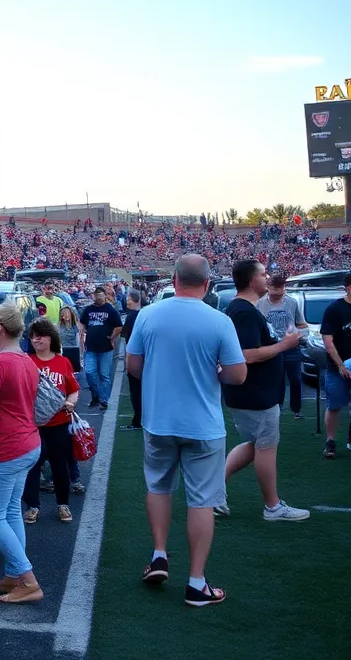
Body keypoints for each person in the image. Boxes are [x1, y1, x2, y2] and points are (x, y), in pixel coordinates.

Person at [127, 254, 246, 608]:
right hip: (203, 426)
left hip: (159, 420)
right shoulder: (220, 320)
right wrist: (216, 371)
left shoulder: (148, 314)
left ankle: (160, 554)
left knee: (159, 486)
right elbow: (238, 375)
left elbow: (134, 367)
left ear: (174, 279)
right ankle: (196, 583)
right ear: (207, 284)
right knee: (202, 500)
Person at [218, 259, 309, 521]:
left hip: (253, 393)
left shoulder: (245, 308)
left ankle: (213, 490)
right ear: (250, 281)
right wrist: (286, 344)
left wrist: (281, 342)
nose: (267, 278)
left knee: (254, 444)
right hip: (255, 394)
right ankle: (273, 507)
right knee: (266, 446)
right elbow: (247, 355)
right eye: (263, 274)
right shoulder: (244, 311)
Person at [0, 302, 43, 604]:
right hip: (27, 442)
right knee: (11, 509)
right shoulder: (25, 359)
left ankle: (27, 578)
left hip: (6, 447)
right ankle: (15, 573)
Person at [22, 318, 80, 524]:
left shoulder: (62, 362)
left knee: (59, 465)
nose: (36, 340)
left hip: (58, 423)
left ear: (51, 338)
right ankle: (32, 506)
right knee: (33, 465)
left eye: (41, 336)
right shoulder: (26, 361)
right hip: (32, 425)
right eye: (33, 336)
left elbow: (73, 390)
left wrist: (71, 403)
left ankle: (63, 504)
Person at [257, 273, 308, 420]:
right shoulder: (260, 304)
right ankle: (276, 408)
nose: (279, 291)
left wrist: (299, 334)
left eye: (282, 287)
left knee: (296, 379)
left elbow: (302, 324)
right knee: (276, 380)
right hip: (271, 348)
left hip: (291, 347)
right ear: (269, 287)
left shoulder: (291, 302)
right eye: (276, 287)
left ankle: (296, 409)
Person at [319, 272, 351, 458]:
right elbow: (328, 341)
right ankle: (330, 441)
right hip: (337, 366)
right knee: (335, 404)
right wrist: (340, 365)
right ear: (348, 287)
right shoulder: (335, 309)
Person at [79, 286, 122, 410]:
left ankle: (104, 400)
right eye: (96, 295)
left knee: (104, 375)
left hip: (106, 347)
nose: (98, 297)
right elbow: (82, 323)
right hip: (91, 347)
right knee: (89, 372)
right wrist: (83, 332)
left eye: (100, 295)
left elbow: (118, 326)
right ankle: (96, 395)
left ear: (104, 296)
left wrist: (113, 338)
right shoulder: (88, 309)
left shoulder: (110, 310)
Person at [120, 290, 145, 430]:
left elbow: (124, 334)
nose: (127, 301)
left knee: (136, 390)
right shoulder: (146, 315)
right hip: (147, 356)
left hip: (135, 355)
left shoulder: (131, 317)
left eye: (129, 299)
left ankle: (137, 420)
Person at [58, 305, 82, 375]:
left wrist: (80, 356)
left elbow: (79, 341)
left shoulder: (76, 326)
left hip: (74, 351)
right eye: (62, 315)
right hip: (62, 352)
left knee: (73, 372)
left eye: (66, 314)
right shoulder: (59, 327)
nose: (64, 317)